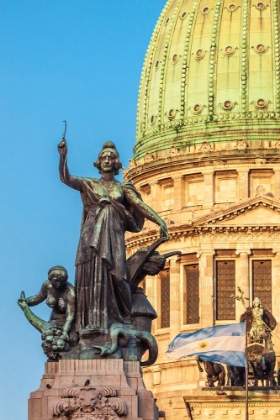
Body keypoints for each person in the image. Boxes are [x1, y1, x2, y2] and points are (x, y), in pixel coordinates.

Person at [58, 140, 169, 334]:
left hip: (114, 237)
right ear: (98, 163)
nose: (107, 160)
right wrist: (63, 156)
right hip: (91, 238)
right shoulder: (89, 184)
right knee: (91, 281)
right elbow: (66, 178)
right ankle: (91, 325)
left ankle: (124, 318)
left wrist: (159, 221)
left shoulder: (123, 188)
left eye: (111, 157)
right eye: (104, 158)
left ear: (116, 163)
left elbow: (140, 206)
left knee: (119, 277)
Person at [18, 265, 76, 342]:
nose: (58, 284)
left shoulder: (70, 292)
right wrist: (26, 301)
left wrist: (65, 331)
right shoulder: (47, 286)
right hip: (54, 321)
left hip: (67, 323)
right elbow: (38, 298)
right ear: (50, 279)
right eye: (56, 281)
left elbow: (70, 316)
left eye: (62, 281)